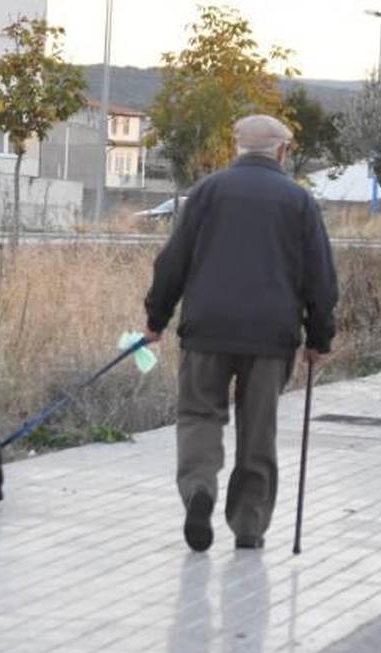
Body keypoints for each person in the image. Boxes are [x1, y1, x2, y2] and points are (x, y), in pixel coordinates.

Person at [143, 114, 339, 552]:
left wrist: (156, 319)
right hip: (271, 338)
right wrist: (319, 339)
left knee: (199, 416)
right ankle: (249, 526)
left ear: (237, 148)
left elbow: (171, 262)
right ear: (283, 151)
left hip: (207, 330)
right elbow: (321, 278)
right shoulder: (298, 201)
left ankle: (199, 491)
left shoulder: (207, 192)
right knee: (258, 428)